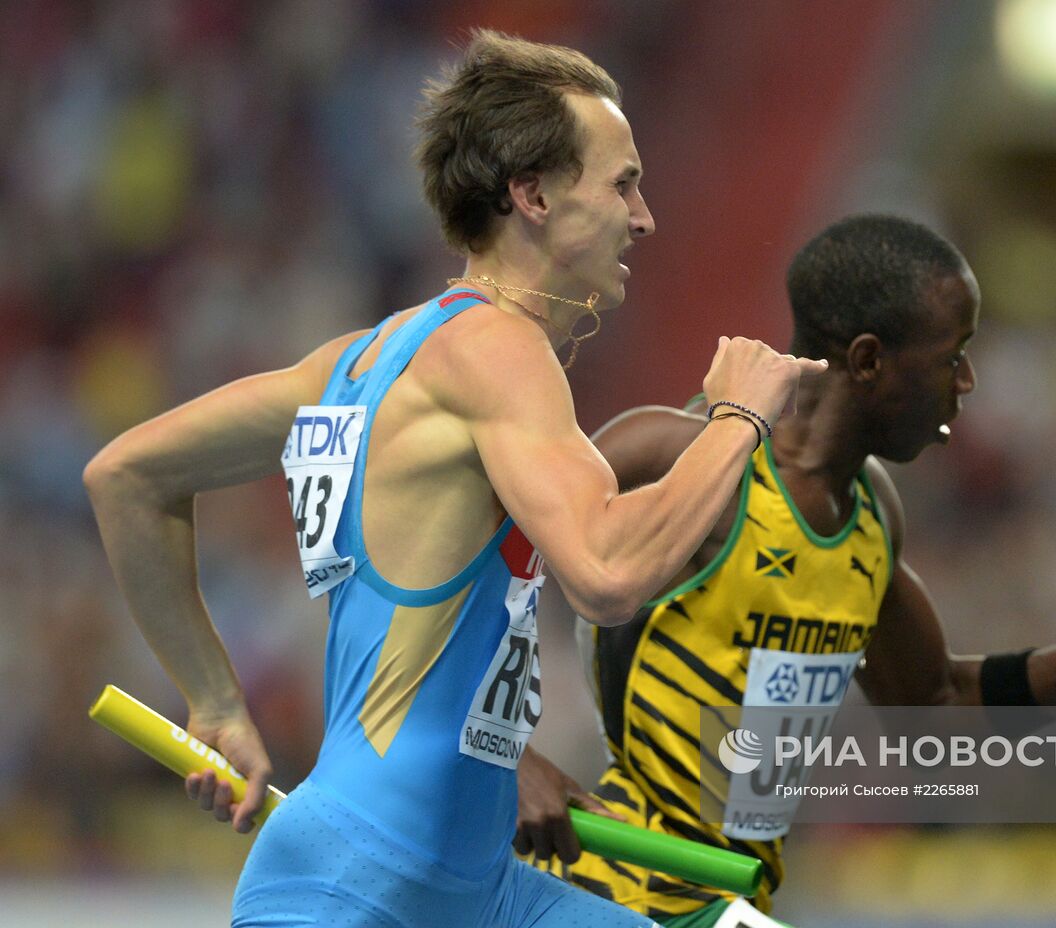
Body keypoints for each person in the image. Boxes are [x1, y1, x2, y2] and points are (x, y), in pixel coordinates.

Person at [84, 29, 825, 928]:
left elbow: (129, 475)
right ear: (534, 195)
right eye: (623, 182)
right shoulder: (495, 352)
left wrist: (215, 703)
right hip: (360, 887)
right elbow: (606, 572)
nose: (645, 217)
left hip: (473, 885)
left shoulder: (359, 362)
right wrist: (739, 418)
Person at [515, 215, 1056, 927]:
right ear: (870, 360)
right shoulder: (676, 455)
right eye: (951, 355)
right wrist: (509, 758)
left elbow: (940, 705)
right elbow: (456, 556)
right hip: (613, 885)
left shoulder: (872, 515)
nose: (967, 380)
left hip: (729, 899)